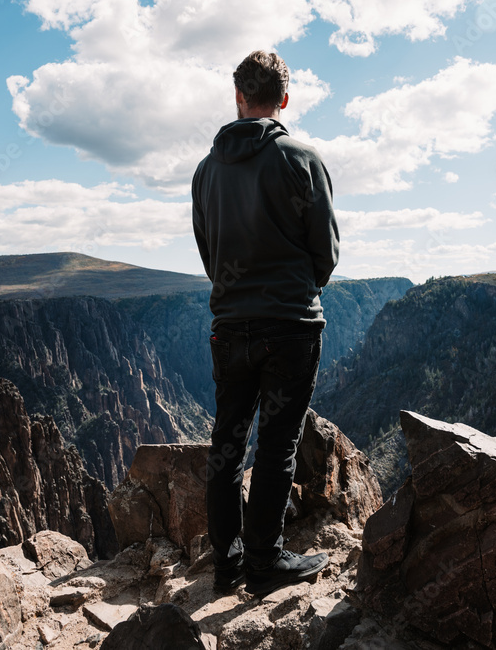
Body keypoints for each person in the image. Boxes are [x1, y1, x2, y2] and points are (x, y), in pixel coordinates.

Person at [191, 50, 339, 596]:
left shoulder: (206, 171)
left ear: (238, 97)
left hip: (229, 328)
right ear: (283, 98)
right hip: (291, 325)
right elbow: (325, 254)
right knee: (276, 448)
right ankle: (264, 564)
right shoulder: (302, 158)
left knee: (226, 445)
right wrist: (295, 284)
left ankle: (225, 565)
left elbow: (211, 257)